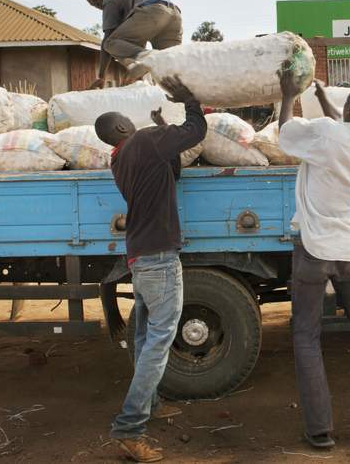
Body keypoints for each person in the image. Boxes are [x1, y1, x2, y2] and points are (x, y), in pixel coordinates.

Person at [277, 75, 350, 450]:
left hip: (314, 250)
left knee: (307, 336)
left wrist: (288, 97)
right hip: (349, 251)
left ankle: (319, 430)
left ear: (349, 110)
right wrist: (324, 97)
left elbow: (285, 132)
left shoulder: (326, 135)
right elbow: (348, 126)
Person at [96, 76, 206, 463]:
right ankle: (129, 428)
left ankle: (154, 403)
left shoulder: (119, 158)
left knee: (145, 339)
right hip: (158, 258)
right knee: (158, 344)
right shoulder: (142, 142)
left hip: (140, 258)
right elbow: (196, 131)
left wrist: (163, 129)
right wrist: (190, 100)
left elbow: (170, 171)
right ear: (124, 127)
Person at [84, 0, 183, 87]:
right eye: (92, 4)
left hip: (153, 9)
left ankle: (150, 58)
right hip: (173, 15)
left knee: (110, 43)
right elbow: (135, 44)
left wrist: (101, 76)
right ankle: (188, 99)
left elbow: (107, 39)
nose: (97, 4)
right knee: (170, 69)